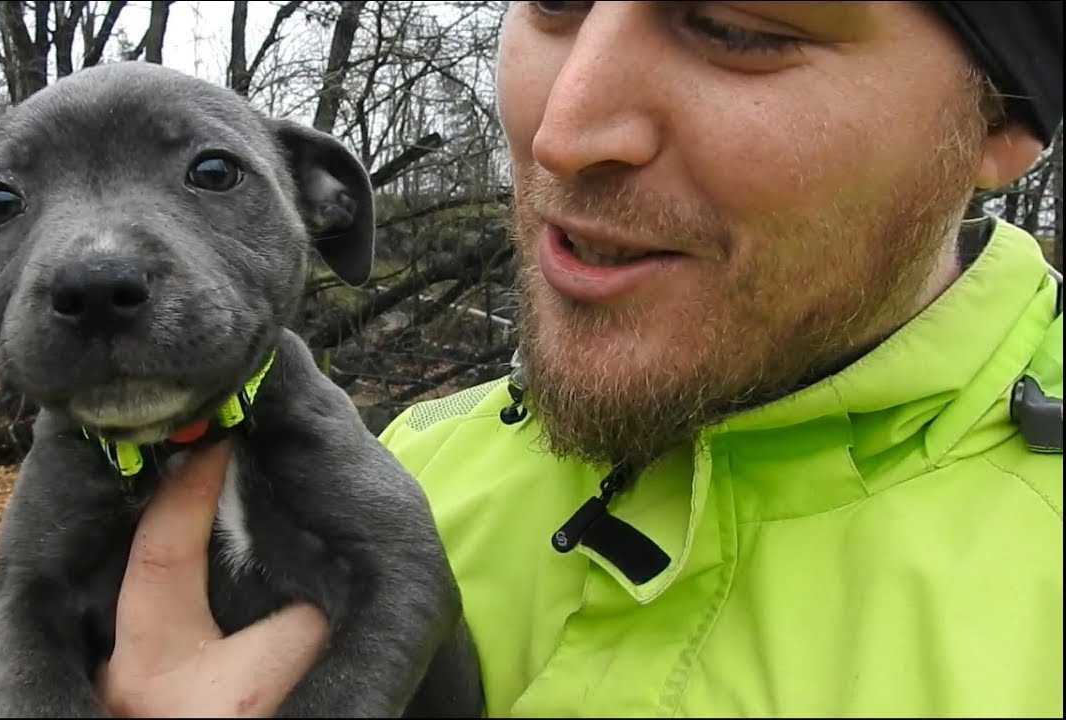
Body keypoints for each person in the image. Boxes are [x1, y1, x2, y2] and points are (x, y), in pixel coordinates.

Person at [97, 1, 1064, 717]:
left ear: (1003, 118)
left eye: (735, 28)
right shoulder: (414, 466)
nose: (559, 134)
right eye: (555, 2)